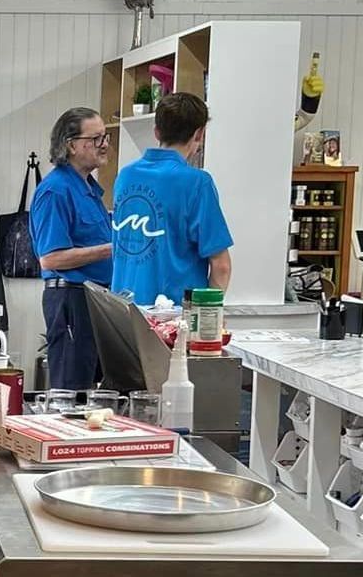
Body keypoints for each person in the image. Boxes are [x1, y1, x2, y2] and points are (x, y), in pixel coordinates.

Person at [108, 93, 233, 304]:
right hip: (172, 317)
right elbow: (221, 266)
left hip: (123, 312)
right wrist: (208, 316)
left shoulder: (125, 176)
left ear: (156, 131)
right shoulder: (197, 183)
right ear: (199, 134)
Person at [30, 107, 113, 390]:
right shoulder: (56, 191)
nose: (104, 145)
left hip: (95, 299)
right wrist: (112, 250)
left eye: (106, 137)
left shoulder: (88, 188)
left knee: (94, 391)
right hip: (71, 299)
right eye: (96, 138)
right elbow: (50, 258)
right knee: (71, 391)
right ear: (71, 145)